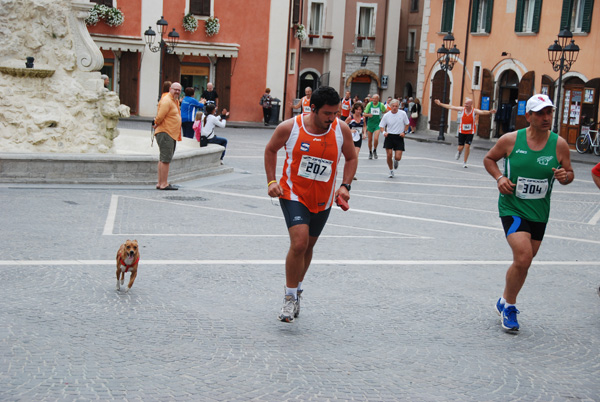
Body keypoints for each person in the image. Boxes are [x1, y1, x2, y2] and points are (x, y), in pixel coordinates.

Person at [264, 86, 358, 323]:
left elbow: (352, 157)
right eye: (328, 113)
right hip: (293, 193)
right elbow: (270, 150)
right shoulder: (290, 127)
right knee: (299, 243)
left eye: (335, 113)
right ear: (313, 109)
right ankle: (289, 297)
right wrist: (271, 181)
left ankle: (298, 291)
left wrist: (345, 186)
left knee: (308, 247)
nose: (332, 118)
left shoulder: (341, 129)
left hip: (323, 198)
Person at [483, 94, 574, 332]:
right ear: (528, 116)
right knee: (523, 257)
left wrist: (565, 177)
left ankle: (503, 300)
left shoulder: (559, 144)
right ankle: (511, 307)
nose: (546, 118)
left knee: (525, 261)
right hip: (512, 207)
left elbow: (569, 173)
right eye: (541, 113)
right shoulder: (510, 140)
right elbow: (489, 159)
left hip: (539, 212)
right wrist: (499, 177)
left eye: (549, 113)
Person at [435, 98, 496, 168]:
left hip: (470, 132)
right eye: (465, 103)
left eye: (467, 104)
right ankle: (459, 152)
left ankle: (465, 162)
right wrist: (440, 104)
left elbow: (482, 112)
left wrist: (490, 112)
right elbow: (451, 107)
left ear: (471, 105)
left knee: (467, 146)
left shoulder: (474, 111)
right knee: (460, 147)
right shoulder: (462, 109)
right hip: (462, 131)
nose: (465, 105)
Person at [153, 82, 182, 191]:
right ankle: (164, 183)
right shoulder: (167, 101)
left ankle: (160, 183)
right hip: (166, 132)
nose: (177, 92)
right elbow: (160, 116)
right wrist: (155, 123)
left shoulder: (174, 101)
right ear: (170, 89)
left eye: (179, 90)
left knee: (163, 158)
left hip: (169, 133)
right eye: (175, 89)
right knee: (165, 159)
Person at [379, 99, 410, 178]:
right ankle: (391, 170)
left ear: (398, 106)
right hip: (389, 136)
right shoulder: (386, 115)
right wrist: (384, 132)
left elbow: (407, 124)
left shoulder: (402, 114)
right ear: (390, 106)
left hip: (399, 136)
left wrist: (404, 132)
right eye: (393, 106)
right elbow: (381, 126)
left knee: (398, 157)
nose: (395, 108)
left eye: (396, 106)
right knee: (389, 154)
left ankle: (396, 160)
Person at [345, 102, 366, 179]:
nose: (358, 111)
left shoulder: (362, 118)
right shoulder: (350, 118)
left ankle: (354, 173)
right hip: (351, 138)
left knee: (356, 155)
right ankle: (348, 171)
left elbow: (364, 126)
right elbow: (344, 125)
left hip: (358, 138)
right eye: (357, 109)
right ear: (354, 110)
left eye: (360, 110)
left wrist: (364, 133)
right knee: (351, 156)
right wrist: (350, 130)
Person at [363, 94, 387, 160]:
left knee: (376, 138)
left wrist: (383, 118)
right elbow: (364, 114)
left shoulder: (381, 105)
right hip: (370, 124)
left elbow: (385, 112)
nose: (374, 100)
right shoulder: (369, 105)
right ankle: (370, 152)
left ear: (378, 99)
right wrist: (368, 115)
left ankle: (375, 150)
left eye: (375, 98)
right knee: (370, 140)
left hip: (377, 124)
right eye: (373, 98)